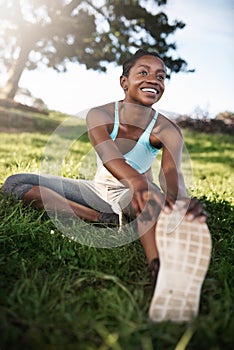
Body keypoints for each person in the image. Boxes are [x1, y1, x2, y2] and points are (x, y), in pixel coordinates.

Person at [1, 49, 212, 322]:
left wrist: (180, 200)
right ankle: (102, 218)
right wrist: (137, 182)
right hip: (97, 191)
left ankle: (160, 271)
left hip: (134, 194)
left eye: (161, 76)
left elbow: (170, 173)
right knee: (16, 183)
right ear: (124, 81)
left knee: (151, 198)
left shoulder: (167, 129)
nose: (154, 80)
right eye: (143, 73)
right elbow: (110, 158)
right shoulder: (99, 115)